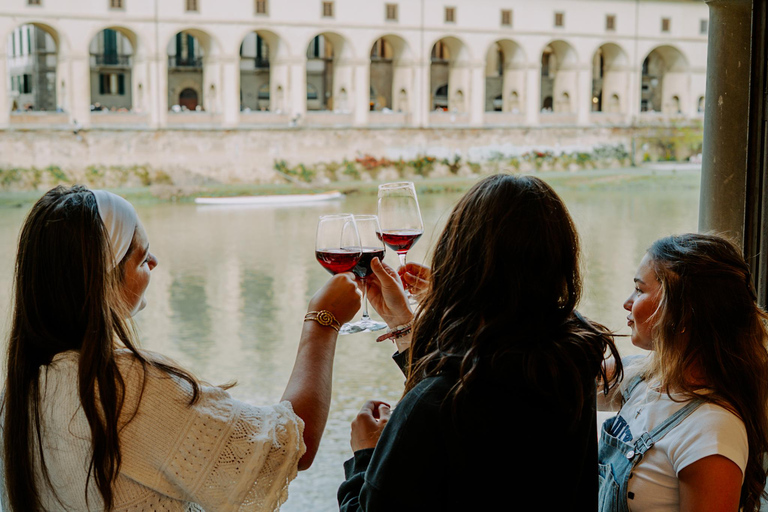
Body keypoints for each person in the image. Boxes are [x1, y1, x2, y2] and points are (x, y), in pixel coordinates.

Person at [1, 185, 362, 511]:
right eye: (142, 256)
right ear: (103, 281)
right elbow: (289, 446)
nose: (154, 262)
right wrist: (322, 321)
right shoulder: (124, 388)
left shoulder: (17, 397)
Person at [337, 174, 622, 511]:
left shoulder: (432, 406)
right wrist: (404, 324)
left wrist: (367, 454)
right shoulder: (568, 364)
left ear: (452, 258)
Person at [597, 234, 768, 512]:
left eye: (639, 290)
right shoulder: (644, 377)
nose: (627, 303)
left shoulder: (712, 430)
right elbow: (564, 381)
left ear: (681, 311)